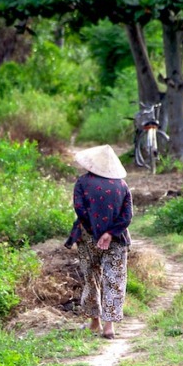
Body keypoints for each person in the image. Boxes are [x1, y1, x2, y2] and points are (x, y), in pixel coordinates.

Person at [65, 145, 133, 339]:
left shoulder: (83, 183)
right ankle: (109, 326)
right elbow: (127, 216)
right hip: (116, 239)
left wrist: (96, 232)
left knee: (91, 277)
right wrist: (109, 233)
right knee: (115, 279)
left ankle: (95, 322)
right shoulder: (122, 186)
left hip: (87, 236)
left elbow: (80, 209)